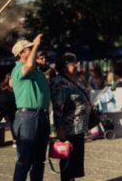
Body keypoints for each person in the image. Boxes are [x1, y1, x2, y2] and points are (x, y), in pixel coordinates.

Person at [11, 34, 51, 181]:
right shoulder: (18, 70)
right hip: (27, 117)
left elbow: (33, 66)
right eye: (29, 49)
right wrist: (36, 44)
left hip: (42, 116)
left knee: (39, 161)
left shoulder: (36, 71)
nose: (34, 50)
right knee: (25, 161)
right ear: (21, 54)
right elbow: (28, 66)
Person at [51, 53, 91, 181]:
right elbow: (57, 107)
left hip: (78, 127)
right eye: (73, 64)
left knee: (75, 163)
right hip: (68, 128)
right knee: (68, 161)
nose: (76, 66)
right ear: (64, 67)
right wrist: (59, 128)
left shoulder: (74, 80)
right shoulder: (59, 82)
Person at [0, 74, 17, 148]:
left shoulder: (16, 90)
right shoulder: (0, 89)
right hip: (0, 109)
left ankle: (15, 140)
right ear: (8, 80)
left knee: (14, 123)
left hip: (12, 110)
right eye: (12, 80)